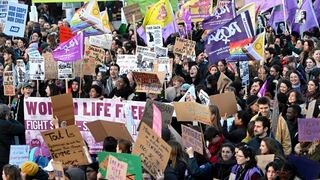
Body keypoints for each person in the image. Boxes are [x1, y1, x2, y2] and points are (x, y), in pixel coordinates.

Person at [0, 104, 25, 175]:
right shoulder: (6, 124)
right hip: (4, 158)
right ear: (7, 114)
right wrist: (11, 119)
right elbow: (21, 128)